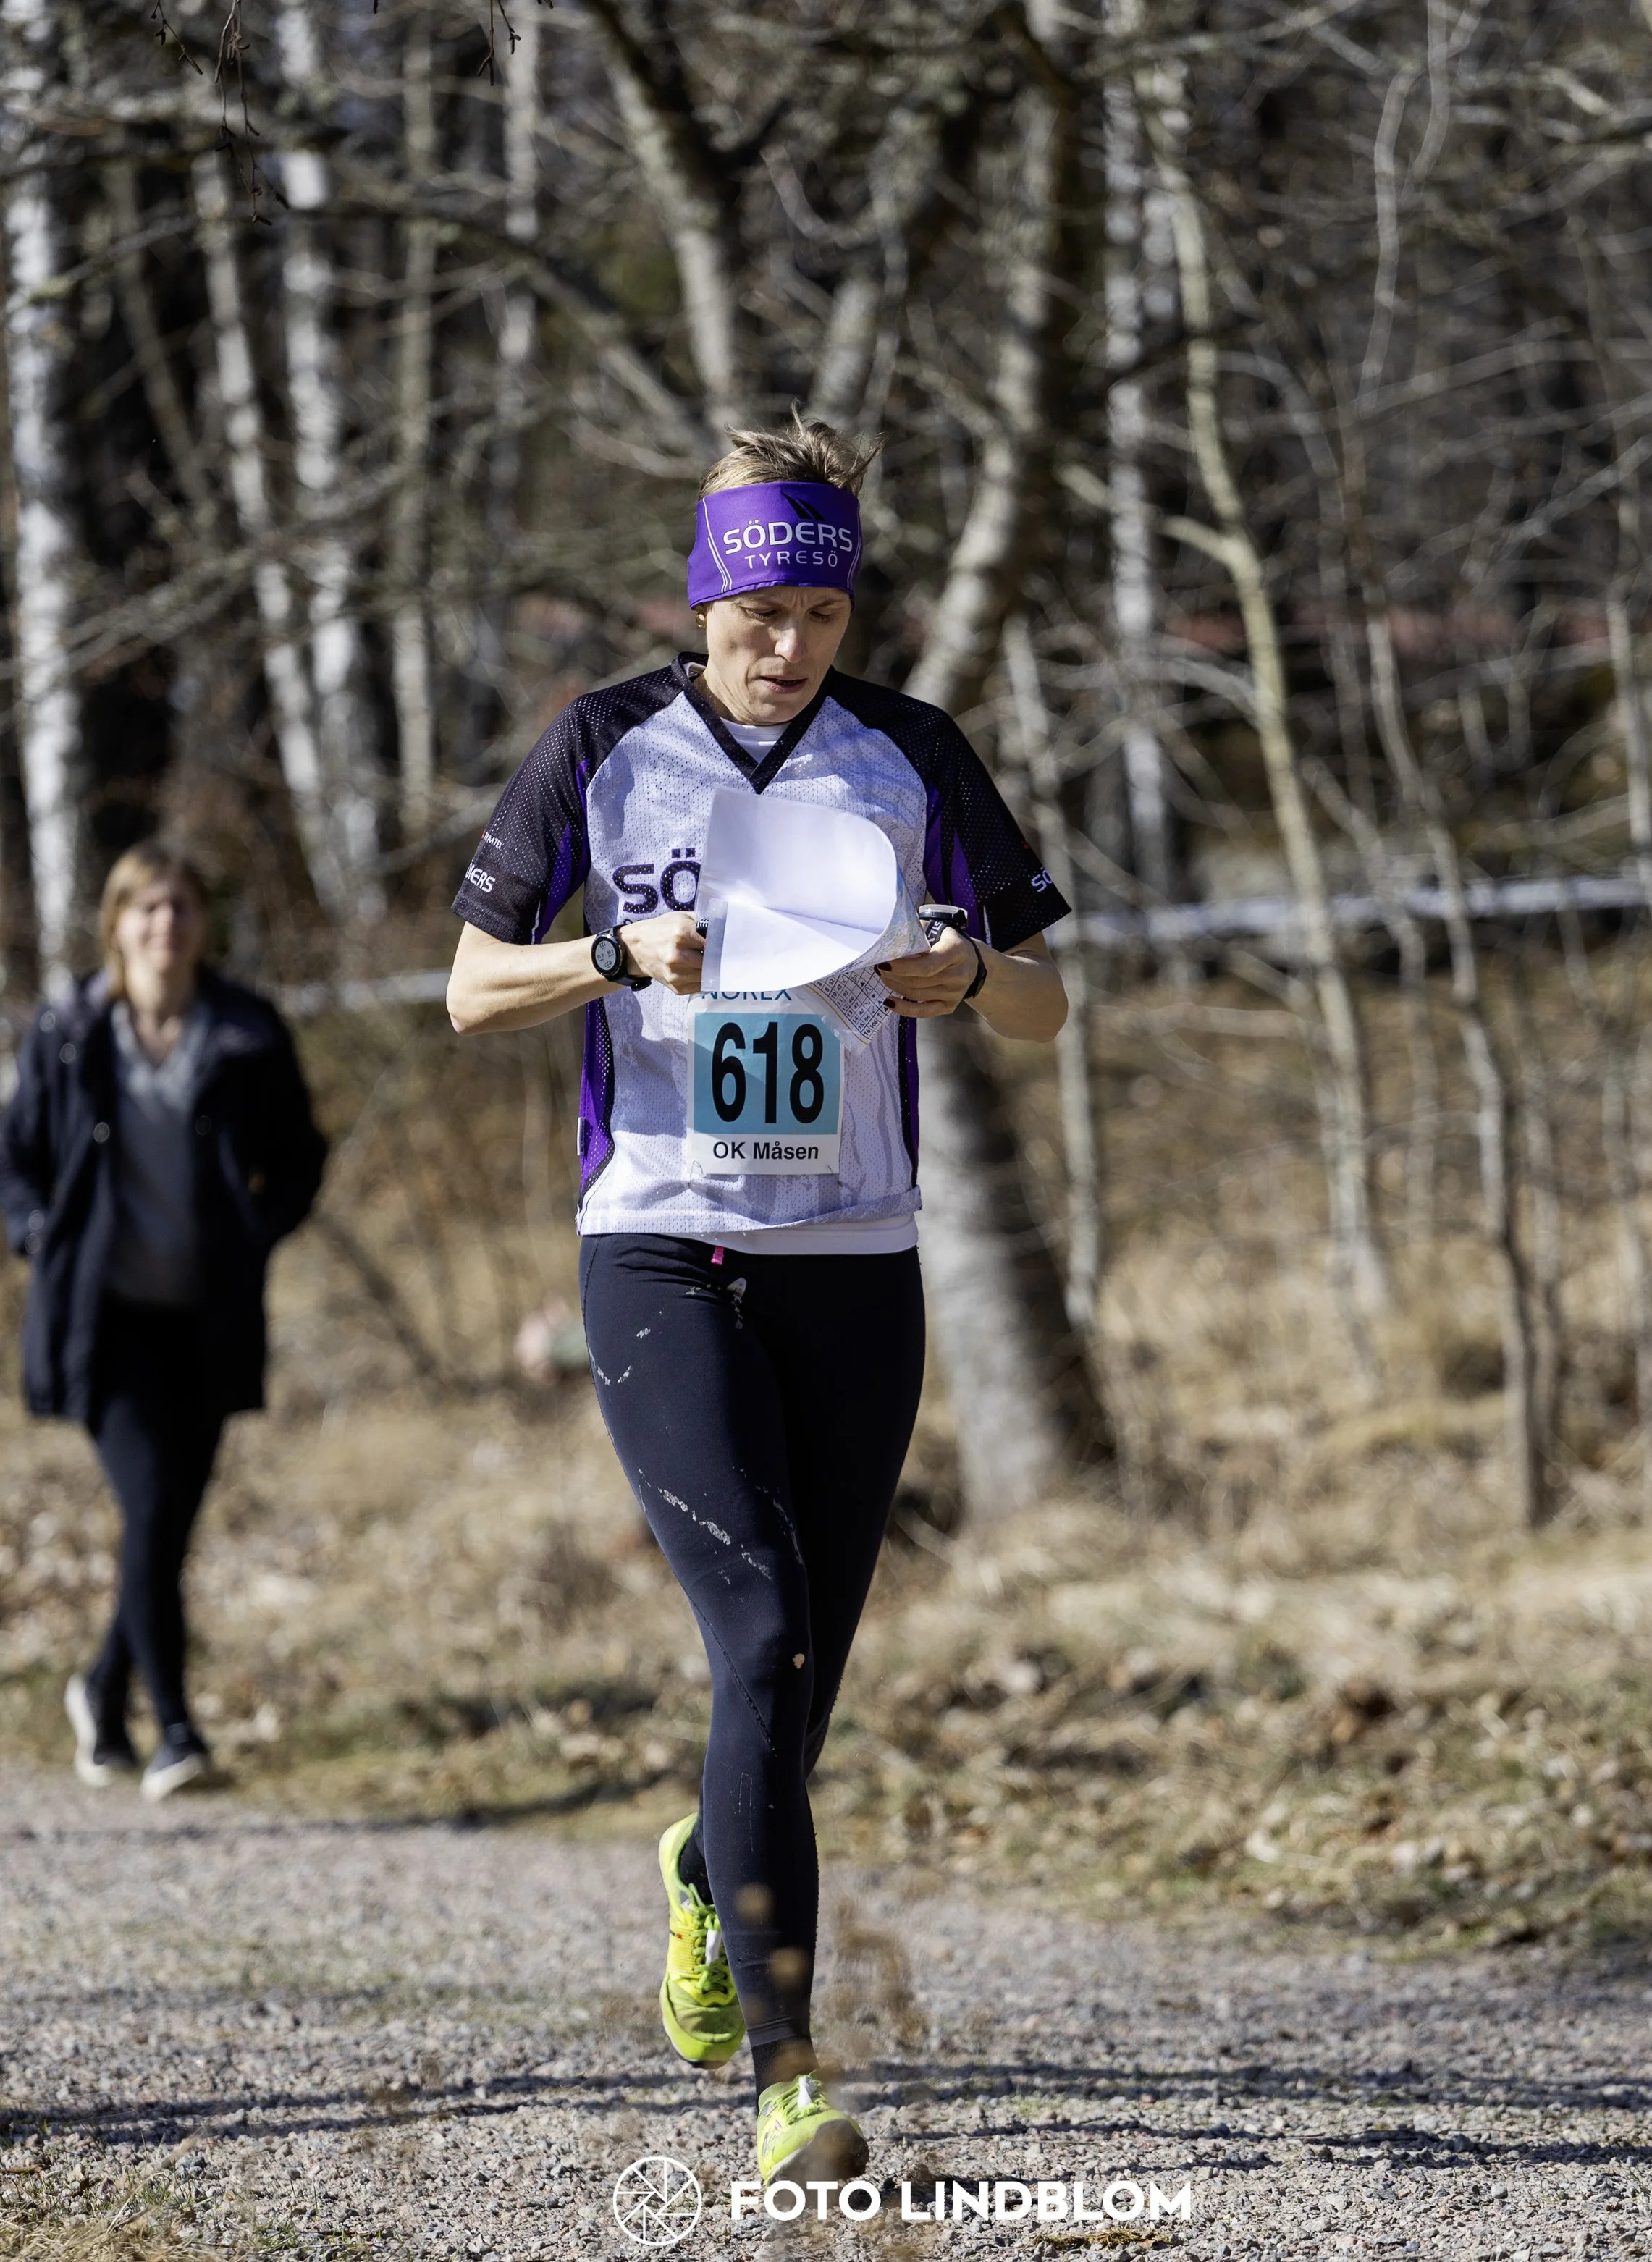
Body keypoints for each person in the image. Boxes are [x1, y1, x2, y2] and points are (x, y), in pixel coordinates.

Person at [446, 413, 1070, 2193]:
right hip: (657, 1239)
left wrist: (966, 973)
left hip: (856, 1259)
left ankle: (703, 1861)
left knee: (799, 1684)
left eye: (817, 609)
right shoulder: (603, 748)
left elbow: (1042, 1000)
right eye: (754, 612)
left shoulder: (909, 754)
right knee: (760, 1631)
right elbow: (467, 987)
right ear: (703, 601)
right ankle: (790, 2072)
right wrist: (610, 952)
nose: (783, 643)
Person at [0, 843, 326, 1801]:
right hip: (101, 1320)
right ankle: (177, 1731)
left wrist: (260, 1230)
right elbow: (13, 1157)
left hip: (207, 1317)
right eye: (147, 907)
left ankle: (102, 1692)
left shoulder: (246, 1033)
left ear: (202, 925)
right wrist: (33, 1234)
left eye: (182, 906)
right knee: (150, 1512)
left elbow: (301, 1155)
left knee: (165, 1528)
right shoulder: (65, 1032)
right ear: (117, 922)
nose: (166, 924)